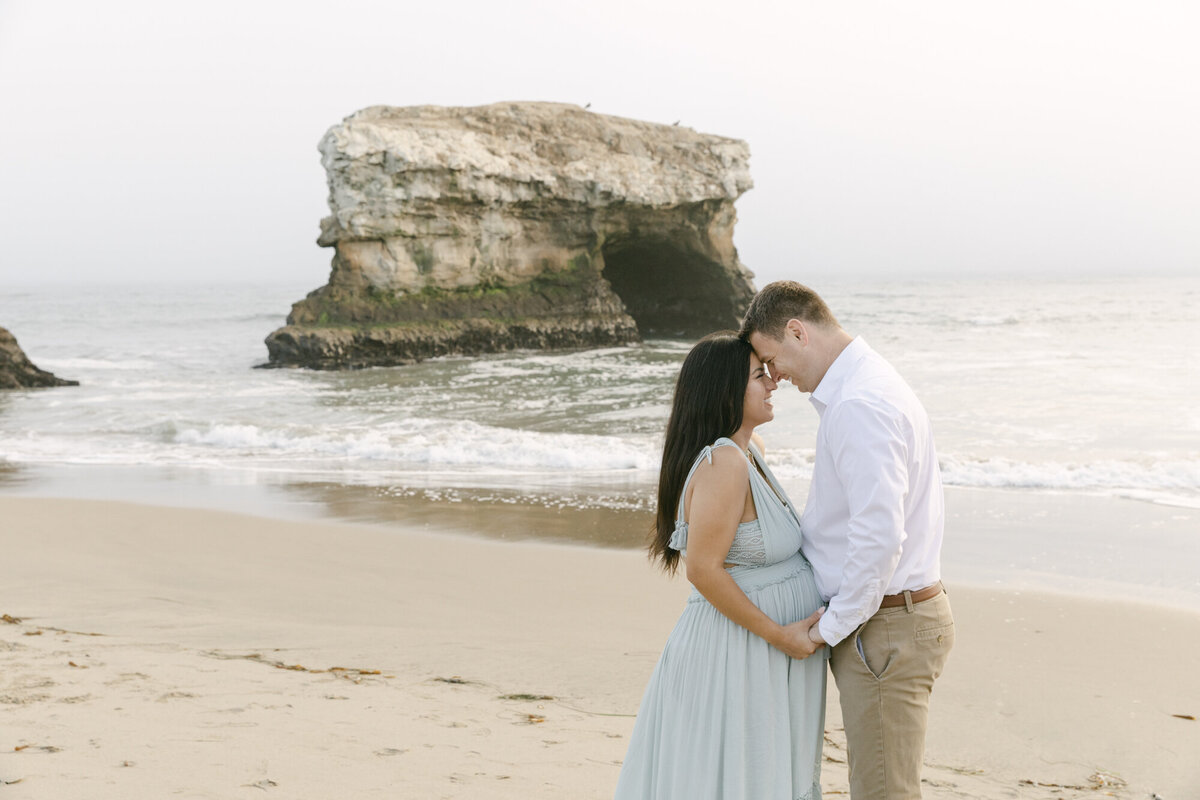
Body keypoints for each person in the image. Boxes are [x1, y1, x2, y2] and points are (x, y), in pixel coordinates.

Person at [741, 281, 954, 800]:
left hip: (882, 627)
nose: (775, 376)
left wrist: (826, 630)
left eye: (772, 359)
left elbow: (880, 538)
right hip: (881, 622)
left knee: (883, 792)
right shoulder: (863, 387)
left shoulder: (860, 403)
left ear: (797, 331)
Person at [614, 331, 827, 800]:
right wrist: (780, 634)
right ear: (727, 390)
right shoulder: (724, 464)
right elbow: (703, 569)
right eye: (758, 375)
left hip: (763, 652)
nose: (773, 382)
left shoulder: (751, 454)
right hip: (740, 651)